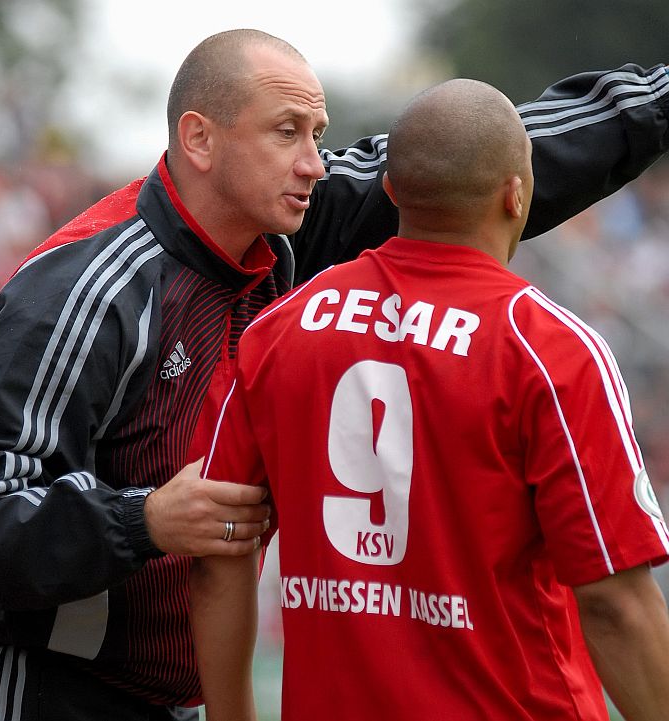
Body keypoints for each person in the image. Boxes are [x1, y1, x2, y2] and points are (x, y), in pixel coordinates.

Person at [0, 26, 669, 721]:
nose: (314, 162)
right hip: (37, 687)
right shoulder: (83, 293)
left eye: (319, 134)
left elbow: (469, 165)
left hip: (173, 697)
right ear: (200, 139)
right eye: (287, 132)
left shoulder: (286, 230)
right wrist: (141, 518)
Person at [189, 77, 669, 721]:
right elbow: (614, 602)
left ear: (389, 190)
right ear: (516, 193)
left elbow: (218, 549)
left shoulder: (279, 330)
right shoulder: (549, 350)